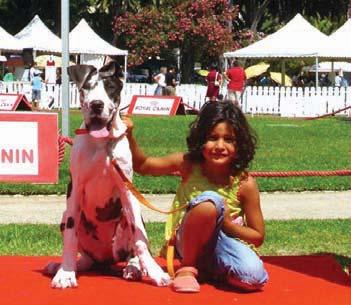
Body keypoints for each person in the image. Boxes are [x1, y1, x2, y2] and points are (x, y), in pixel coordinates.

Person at [124, 101, 268, 293]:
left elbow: (257, 236)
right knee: (210, 201)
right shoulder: (189, 165)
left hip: (223, 243)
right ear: (201, 139)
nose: (219, 146)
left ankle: (212, 269)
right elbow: (144, 165)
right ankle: (187, 269)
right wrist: (129, 136)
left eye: (229, 139)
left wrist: (228, 224)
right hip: (187, 242)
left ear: (239, 144)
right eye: (212, 138)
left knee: (254, 278)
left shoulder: (245, 184)